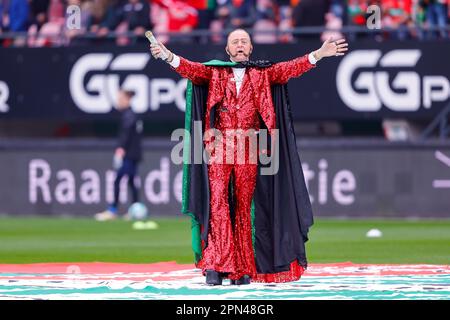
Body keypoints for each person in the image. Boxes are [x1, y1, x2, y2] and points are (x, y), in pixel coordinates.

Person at [150, 29, 348, 285]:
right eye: (235, 42)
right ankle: (216, 264)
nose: (240, 45)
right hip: (219, 149)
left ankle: (242, 267)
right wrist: (167, 56)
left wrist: (319, 54)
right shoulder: (215, 73)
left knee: (244, 209)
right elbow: (190, 68)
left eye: (244, 41)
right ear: (228, 50)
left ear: (251, 48)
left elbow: (290, 68)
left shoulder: (263, 74)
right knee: (219, 204)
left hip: (249, 149)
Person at [95, 89, 143, 221]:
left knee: (118, 180)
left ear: (127, 99)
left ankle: (113, 210)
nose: (118, 101)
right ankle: (135, 209)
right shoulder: (132, 115)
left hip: (128, 155)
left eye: (120, 99)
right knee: (132, 181)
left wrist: (121, 149)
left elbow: (126, 136)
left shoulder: (129, 116)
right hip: (133, 155)